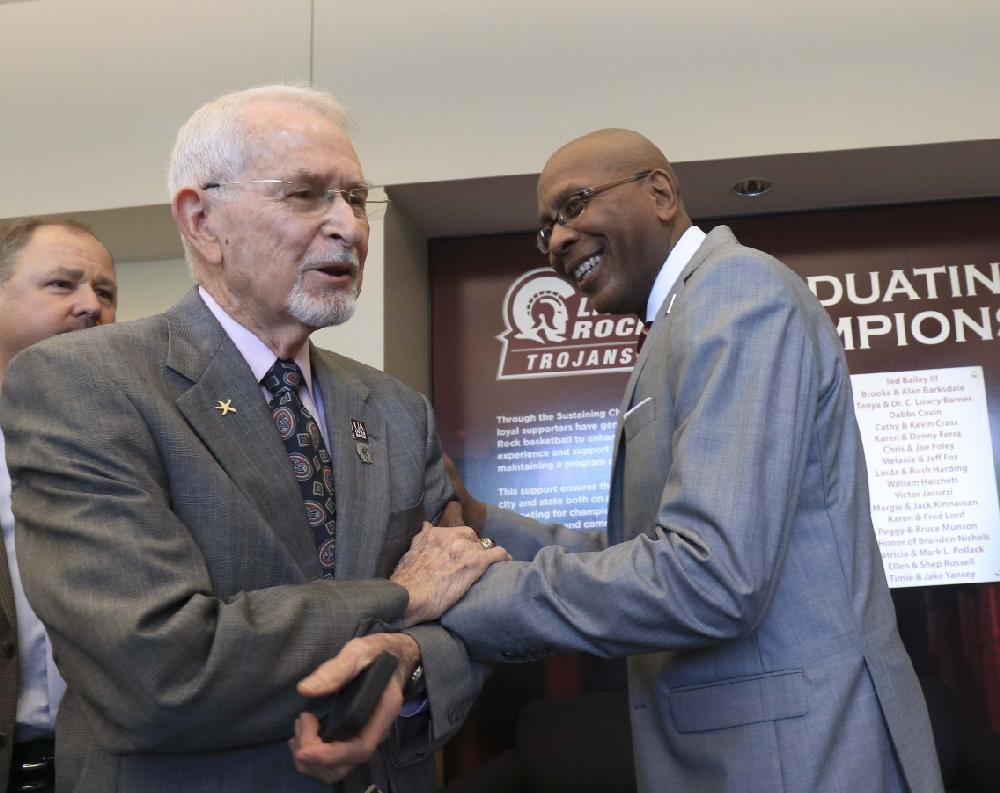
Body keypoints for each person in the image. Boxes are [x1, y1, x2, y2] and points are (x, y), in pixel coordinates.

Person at [340, 128, 946, 792]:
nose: (558, 240)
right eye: (546, 230)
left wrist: (465, 594)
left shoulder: (736, 292)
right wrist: (483, 522)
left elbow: (711, 576)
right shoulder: (682, 318)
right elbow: (639, 550)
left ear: (660, 192)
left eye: (574, 205)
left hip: (799, 761)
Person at [0, 86, 507, 793]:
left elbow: (466, 608)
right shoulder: (83, 384)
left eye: (355, 198)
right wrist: (397, 598)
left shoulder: (397, 409)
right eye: (305, 194)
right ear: (202, 221)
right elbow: (157, 668)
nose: (349, 227)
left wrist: (407, 660)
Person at [0, 218, 117, 793]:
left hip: (111, 769)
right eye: (61, 285)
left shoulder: (138, 444)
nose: (91, 305)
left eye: (105, 291)